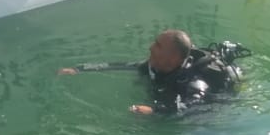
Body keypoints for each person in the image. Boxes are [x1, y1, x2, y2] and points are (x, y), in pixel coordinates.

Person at [58, 29, 248, 115]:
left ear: (172, 58)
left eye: (158, 45)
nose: (151, 46)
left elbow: (191, 105)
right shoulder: (155, 64)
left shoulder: (193, 82)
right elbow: (123, 66)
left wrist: (155, 110)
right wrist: (79, 69)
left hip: (214, 110)